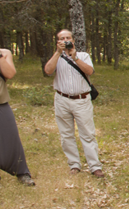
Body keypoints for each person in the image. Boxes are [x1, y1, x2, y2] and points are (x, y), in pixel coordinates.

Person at [44, 29, 104, 178]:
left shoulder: (83, 55)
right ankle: (74, 165)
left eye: (68, 38)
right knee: (66, 134)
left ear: (73, 40)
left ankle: (95, 166)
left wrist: (75, 57)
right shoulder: (56, 57)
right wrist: (58, 53)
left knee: (88, 134)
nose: (65, 40)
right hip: (62, 99)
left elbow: (89, 71)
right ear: (57, 41)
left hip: (81, 100)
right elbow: (48, 71)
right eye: (62, 38)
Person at [0, 35, 35, 186]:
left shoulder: (4, 53)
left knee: (11, 138)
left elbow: (10, 74)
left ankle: (22, 173)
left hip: (1, 103)